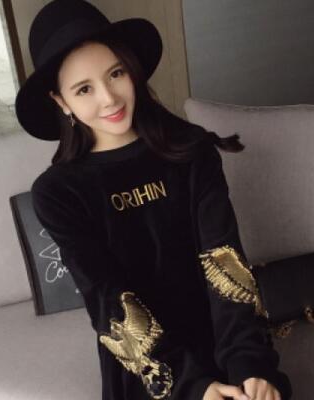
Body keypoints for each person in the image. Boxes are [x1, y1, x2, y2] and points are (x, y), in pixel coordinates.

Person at [15, 1, 293, 399]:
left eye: (116, 73)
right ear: (60, 101)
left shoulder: (191, 151)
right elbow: (108, 301)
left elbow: (224, 257)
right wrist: (193, 387)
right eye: (84, 89)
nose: (109, 98)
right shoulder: (58, 192)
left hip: (222, 339)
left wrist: (249, 364)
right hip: (150, 367)